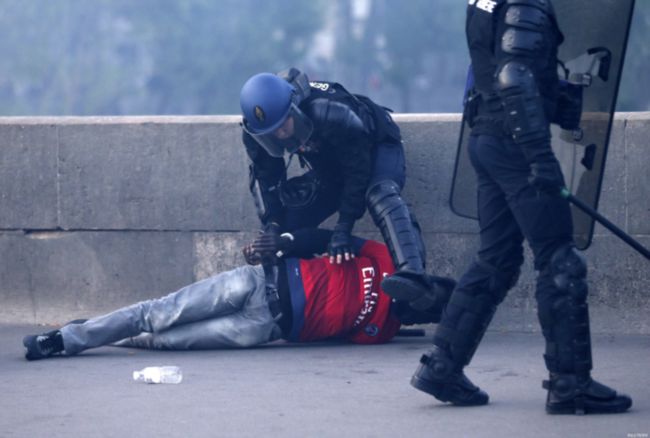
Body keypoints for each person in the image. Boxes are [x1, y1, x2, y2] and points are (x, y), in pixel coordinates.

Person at [408, 0, 632, 414]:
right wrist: (539, 156)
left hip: (488, 138)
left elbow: (497, 64)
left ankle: (441, 367)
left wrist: (555, 92)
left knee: (496, 259)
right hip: (514, 145)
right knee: (560, 260)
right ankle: (570, 385)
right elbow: (513, 75)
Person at [23, 228, 454, 360]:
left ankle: (95, 331)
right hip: (258, 282)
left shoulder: (382, 331)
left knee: (165, 341)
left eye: (425, 313)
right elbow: (323, 238)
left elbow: (332, 332)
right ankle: (63, 340)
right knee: (159, 314)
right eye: (426, 297)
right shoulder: (381, 257)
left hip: (262, 327)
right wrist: (282, 241)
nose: (419, 308)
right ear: (424, 284)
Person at [239, 68, 443, 315]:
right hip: (329, 165)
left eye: (284, 124)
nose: (280, 134)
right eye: (273, 132)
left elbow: (358, 172)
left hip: (374, 148)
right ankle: (289, 301)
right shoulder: (258, 132)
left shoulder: (330, 111)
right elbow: (265, 179)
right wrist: (271, 226)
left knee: (380, 194)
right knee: (283, 227)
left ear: (294, 107)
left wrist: (343, 228)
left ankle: (414, 276)